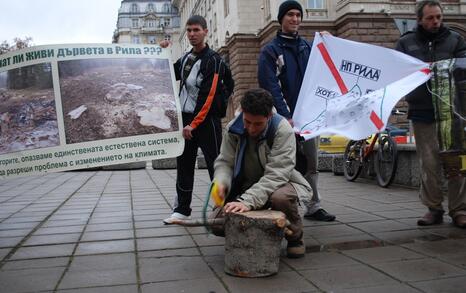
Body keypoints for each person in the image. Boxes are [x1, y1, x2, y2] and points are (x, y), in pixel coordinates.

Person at [257, 0, 335, 221]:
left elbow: (324, 71)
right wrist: (286, 116)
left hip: (309, 119)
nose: (295, 19)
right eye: (290, 15)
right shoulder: (270, 51)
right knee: (280, 164)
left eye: (298, 15)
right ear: (281, 19)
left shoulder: (308, 47)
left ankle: (314, 205)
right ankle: (276, 204)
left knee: (312, 163)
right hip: (283, 121)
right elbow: (269, 87)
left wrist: (329, 44)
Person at [212, 88, 308, 258]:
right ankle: (257, 237)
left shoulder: (282, 130)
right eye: (247, 121)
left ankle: (295, 237)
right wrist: (221, 183)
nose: (251, 129)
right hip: (248, 186)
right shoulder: (233, 128)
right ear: (242, 112)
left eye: (258, 124)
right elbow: (225, 162)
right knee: (217, 223)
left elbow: (276, 174)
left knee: (280, 198)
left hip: (282, 183)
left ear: (269, 116)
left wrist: (247, 201)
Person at [395, 0, 466, 228]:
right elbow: (398, 74)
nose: (435, 22)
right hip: (422, 112)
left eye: (438, 17)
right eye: (430, 18)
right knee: (429, 164)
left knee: (457, 163)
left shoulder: (455, 39)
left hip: (453, 112)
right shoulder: (406, 42)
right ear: (419, 20)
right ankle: (433, 208)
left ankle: (459, 210)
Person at [163, 15, 234, 224]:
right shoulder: (186, 58)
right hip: (185, 119)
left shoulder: (213, 60)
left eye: (196, 30)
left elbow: (209, 97)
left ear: (206, 31)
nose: (192, 34)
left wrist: (193, 124)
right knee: (184, 164)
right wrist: (162, 51)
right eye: (189, 31)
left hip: (207, 120)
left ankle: (222, 207)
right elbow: (165, 73)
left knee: (216, 164)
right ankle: (182, 209)